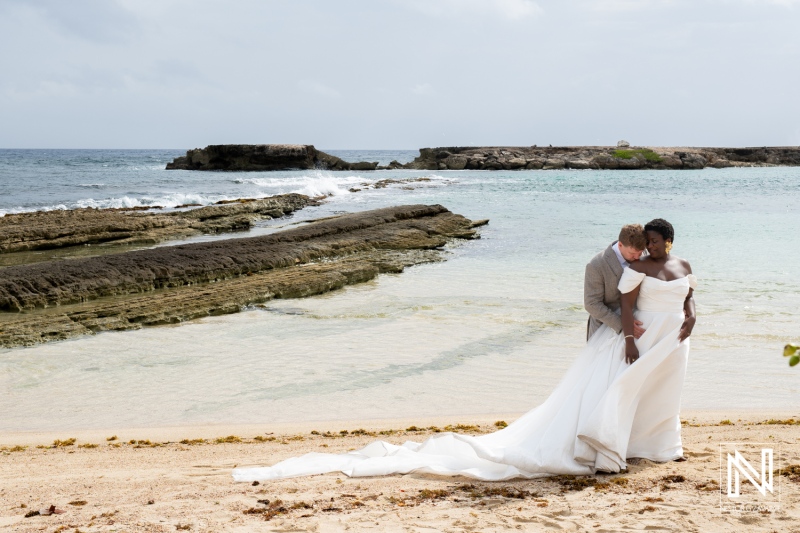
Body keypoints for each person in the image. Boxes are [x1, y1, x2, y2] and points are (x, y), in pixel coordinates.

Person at [232, 219, 696, 482]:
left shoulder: (651, 261)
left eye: (645, 253)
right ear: (625, 247)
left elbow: (667, 287)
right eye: (637, 254)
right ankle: (591, 443)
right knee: (591, 394)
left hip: (631, 336)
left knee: (621, 392)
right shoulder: (598, 263)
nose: (641, 258)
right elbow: (593, 304)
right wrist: (624, 329)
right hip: (606, 332)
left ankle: (634, 441)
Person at [584, 224, 648, 341]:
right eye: (632, 253)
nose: (637, 257)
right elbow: (591, 304)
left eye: (640, 253)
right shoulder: (596, 264)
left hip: (640, 327)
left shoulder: (644, 255)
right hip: (605, 329)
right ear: (620, 245)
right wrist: (625, 325)